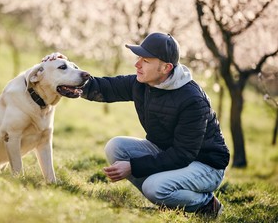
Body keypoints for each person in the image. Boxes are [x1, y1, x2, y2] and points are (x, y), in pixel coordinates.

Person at [45, 32, 230, 218]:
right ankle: (169, 200)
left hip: (205, 164)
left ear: (166, 68)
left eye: (146, 60)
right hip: (167, 151)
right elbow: (102, 88)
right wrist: (65, 68)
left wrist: (133, 166)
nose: (137, 64)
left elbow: (183, 154)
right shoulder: (142, 83)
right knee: (116, 148)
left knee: (154, 188)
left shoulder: (192, 100)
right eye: (139, 57)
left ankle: (206, 205)